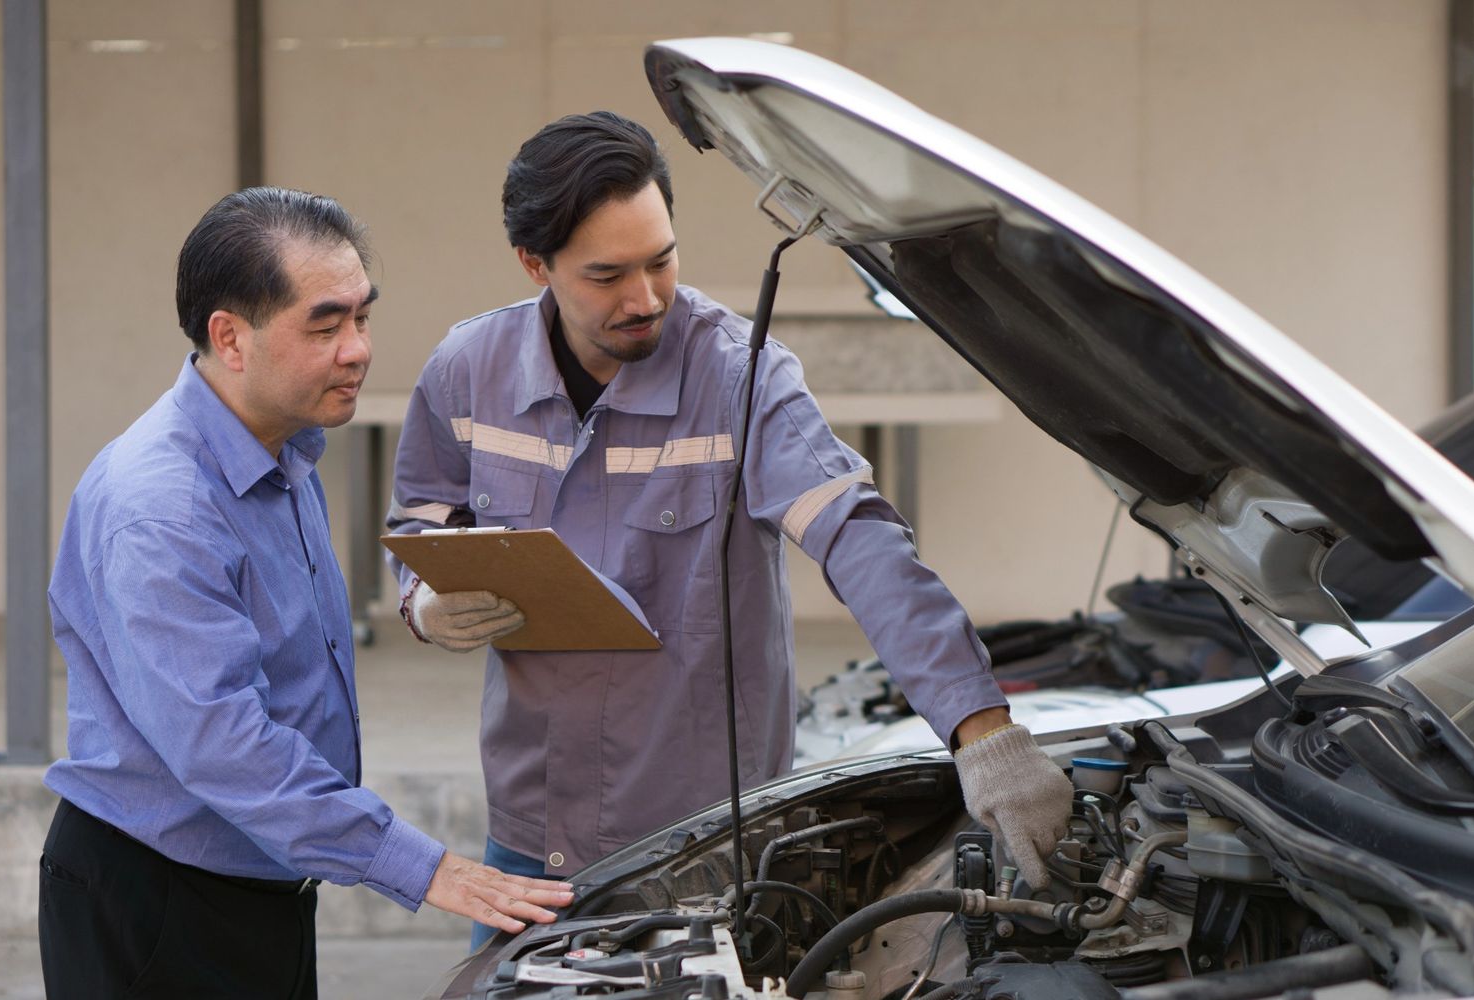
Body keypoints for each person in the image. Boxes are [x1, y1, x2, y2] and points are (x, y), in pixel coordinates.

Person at [387, 113, 1073, 944]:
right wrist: (424, 603)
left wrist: (982, 731)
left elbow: (857, 537)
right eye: (607, 275)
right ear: (536, 264)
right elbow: (423, 515)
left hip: (705, 844)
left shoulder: (739, 376)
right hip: (530, 840)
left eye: (661, 260)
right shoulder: (468, 371)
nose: (645, 299)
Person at [39, 187, 573, 999]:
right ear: (230, 337)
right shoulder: (162, 509)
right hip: (160, 901)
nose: (357, 349)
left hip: (263, 879)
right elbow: (226, 744)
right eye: (325, 325)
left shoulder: (284, 454)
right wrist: (420, 866)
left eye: (362, 317)